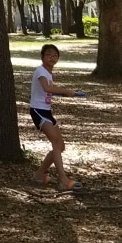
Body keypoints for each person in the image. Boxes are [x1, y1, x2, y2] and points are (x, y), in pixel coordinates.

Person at [30, 43, 86, 191]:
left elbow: (50, 92)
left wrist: (70, 93)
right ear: (42, 57)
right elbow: (47, 88)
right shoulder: (41, 71)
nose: (52, 57)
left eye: (55, 55)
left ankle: (39, 174)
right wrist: (66, 90)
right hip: (38, 110)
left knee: (60, 146)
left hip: (47, 111)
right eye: (48, 54)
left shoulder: (49, 73)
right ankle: (63, 180)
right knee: (55, 142)